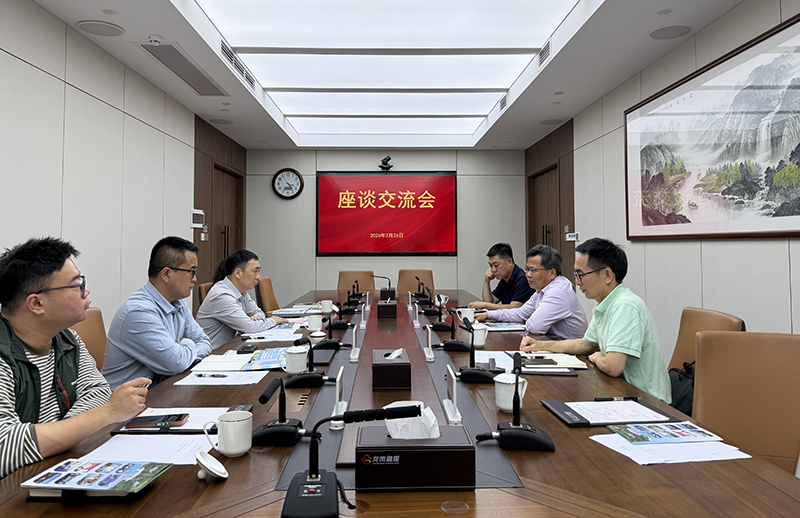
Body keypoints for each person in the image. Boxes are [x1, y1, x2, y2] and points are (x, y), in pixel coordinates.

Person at [0, 238, 149, 479]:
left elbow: (98, 392)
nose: (85, 292)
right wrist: (107, 413)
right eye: (77, 285)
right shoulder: (3, 354)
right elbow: (5, 447)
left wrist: (59, 435)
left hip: (50, 467)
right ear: (36, 303)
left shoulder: (67, 340)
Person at [520, 238, 671, 402]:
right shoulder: (605, 303)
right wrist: (540, 345)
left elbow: (612, 367)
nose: (577, 282)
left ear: (607, 275)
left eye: (581, 274)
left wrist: (596, 357)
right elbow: (585, 345)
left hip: (646, 401)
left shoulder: (625, 305)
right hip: (620, 392)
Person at [103, 236, 211, 390]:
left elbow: (204, 341)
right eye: (191, 272)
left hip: (164, 391)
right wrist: (188, 343)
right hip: (129, 402)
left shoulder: (178, 303)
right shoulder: (139, 311)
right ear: (166, 274)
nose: (195, 279)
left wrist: (183, 348)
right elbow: (176, 363)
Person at [476, 245, 587, 340]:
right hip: (552, 345)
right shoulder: (541, 290)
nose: (528, 274)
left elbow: (535, 326)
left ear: (552, 273)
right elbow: (520, 313)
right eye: (527, 269)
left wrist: (527, 320)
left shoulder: (557, 292)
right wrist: (487, 315)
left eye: (533, 270)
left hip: (571, 354)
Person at [196, 250, 288, 349]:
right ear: (238, 273)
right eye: (255, 271)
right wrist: (273, 320)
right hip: (216, 353)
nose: (258, 277)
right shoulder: (221, 296)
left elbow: (258, 312)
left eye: (258, 271)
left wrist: (257, 319)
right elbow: (250, 327)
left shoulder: (241, 291)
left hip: (234, 346)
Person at [468, 243, 534, 310]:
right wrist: (486, 281)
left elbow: (514, 308)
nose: (493, 270)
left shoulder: (523, 279)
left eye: (496, 265)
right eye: (491, 266)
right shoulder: (505, 279)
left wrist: (484, 305)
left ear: (509, 262)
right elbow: (490, 302)